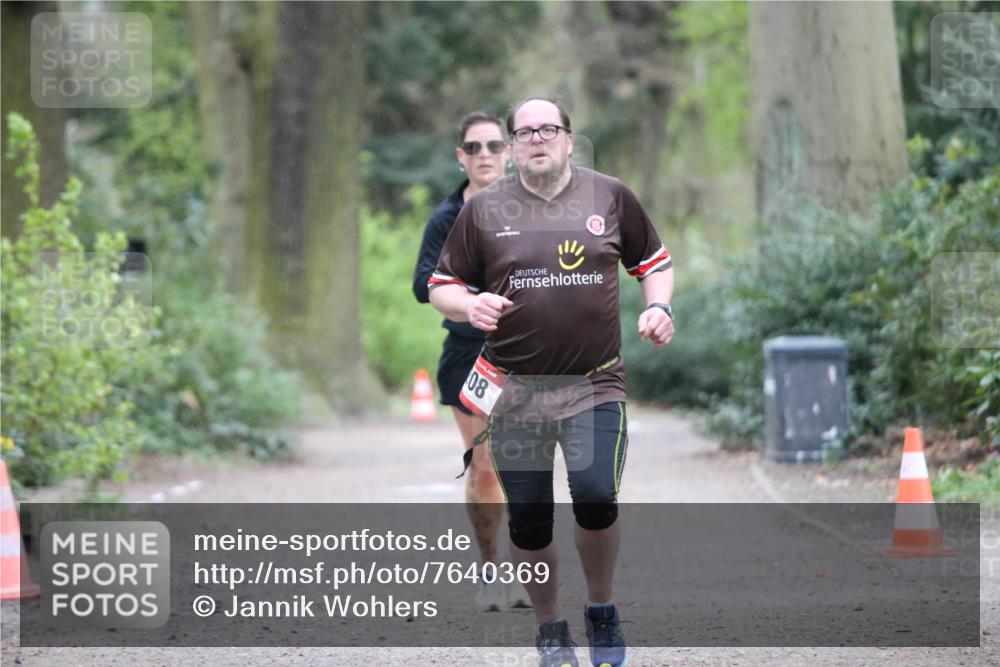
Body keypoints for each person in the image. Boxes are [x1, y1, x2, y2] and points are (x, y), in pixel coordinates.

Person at [428, 96, 674, 667]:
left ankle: (602, 610)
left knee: (594, 495)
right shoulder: (483, 210)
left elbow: (654, 262)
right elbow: (442, 285)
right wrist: (468, 304)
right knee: (532, 518)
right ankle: (550, 629)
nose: (537, 139)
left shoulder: (610, 196)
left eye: (548, 129)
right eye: (525, 132)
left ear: (567, 138)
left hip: (594, 384)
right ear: (514, 148)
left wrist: (661, 308)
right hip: (515, 391)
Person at [412, 111, 529, 612]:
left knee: (524, 469)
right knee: (484, 468)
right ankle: (490, 569)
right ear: (461, 156)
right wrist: (474, 297)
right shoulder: (446, 217)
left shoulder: (532, 208)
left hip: (528, 353)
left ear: (510, 153)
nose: (485, 155)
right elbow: (423, 284)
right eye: (474, 147)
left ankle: (526, 571)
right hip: (469, 357)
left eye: (494, 146)